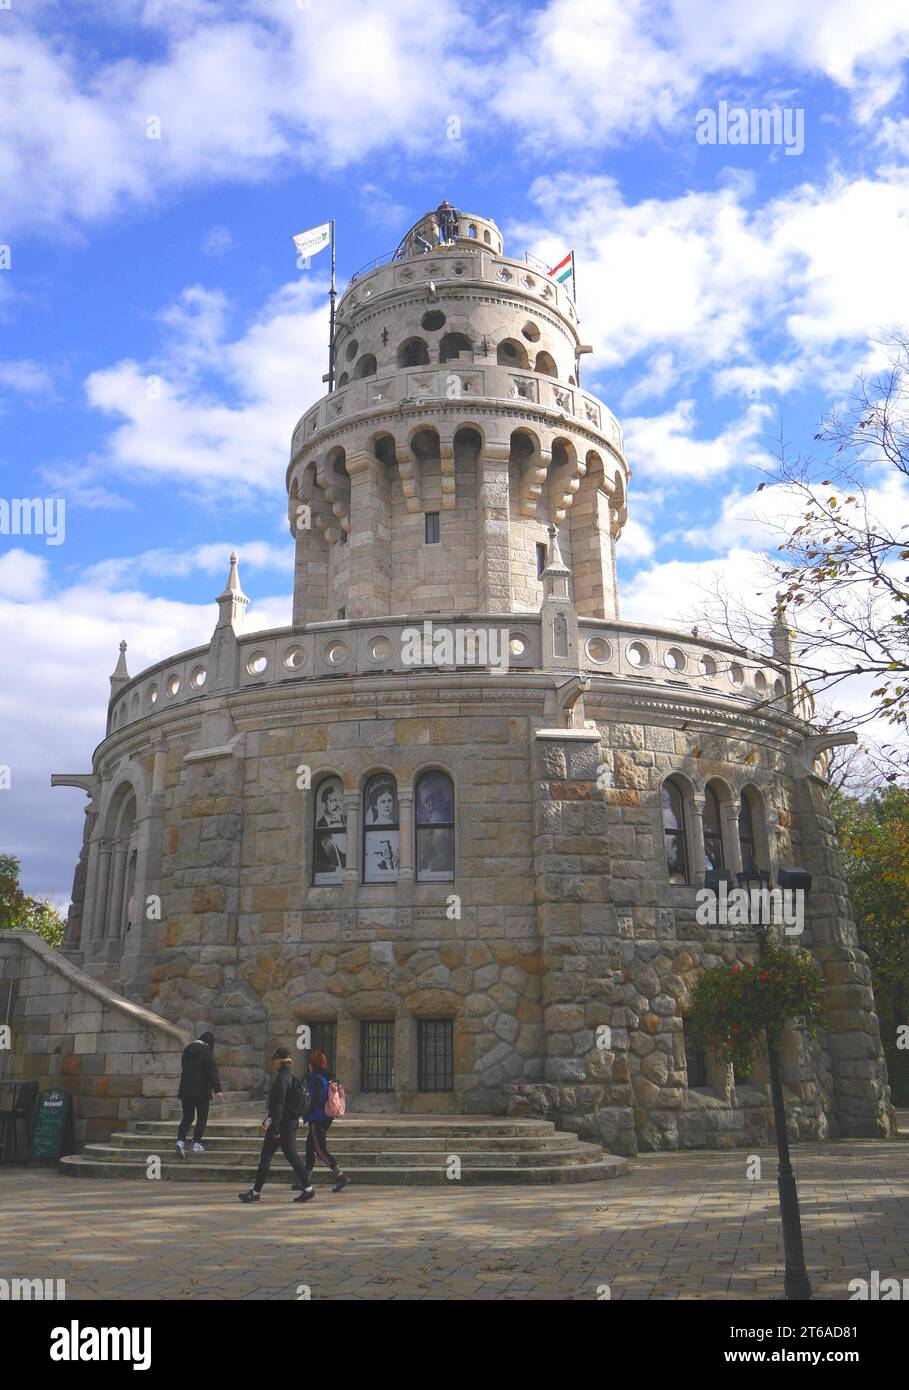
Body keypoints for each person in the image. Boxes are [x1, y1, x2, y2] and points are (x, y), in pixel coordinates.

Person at [238, 1047, 310, 1203]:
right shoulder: (292, 1078)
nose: (274, 1062)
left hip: (280, 1125)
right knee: (293, 1157)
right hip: (290, 1122)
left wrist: (273, 1126)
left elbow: (277, 1107)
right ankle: (308, 1188)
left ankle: (256, 1192)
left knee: (266, 1157)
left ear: (279, 1060)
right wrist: (267, 1122)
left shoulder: (280, 1080)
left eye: (275, 1060)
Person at [292, 1051, 349, 1202]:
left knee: (320, 1150)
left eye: (310, 1063)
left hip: (318, 1118)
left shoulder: (315, 1078)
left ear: (312, 1064)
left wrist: (305, 1110)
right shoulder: (326, 1077)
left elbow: (314, 1098)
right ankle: (305, 1181)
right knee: (310, 1148)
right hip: (324, 1117)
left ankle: (340, 1176)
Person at [176, 1030, 223, 1157]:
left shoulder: (187, 1050)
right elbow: (212, 1071)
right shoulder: (207, 1051)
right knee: (202, 1117)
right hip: (201, 1091)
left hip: (186, 1090)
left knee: (187, 1117)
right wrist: (217, 1089)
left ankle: (180, 1140)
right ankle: (196, 1143)